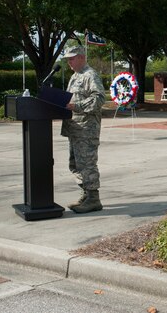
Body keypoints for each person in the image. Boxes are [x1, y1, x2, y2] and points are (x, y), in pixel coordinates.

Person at [60, 45, 106, 213]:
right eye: (68, 59)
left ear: (81, 57)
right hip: (75, 128)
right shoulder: (75, 76)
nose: (69, 62)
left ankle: (94, 198)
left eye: (72, 58)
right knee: (76, 164)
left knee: (87, 164)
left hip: (87, 129)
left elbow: (99, 98)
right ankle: (86, 195)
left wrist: (76, 106)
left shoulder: (90, 75)